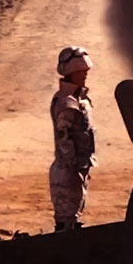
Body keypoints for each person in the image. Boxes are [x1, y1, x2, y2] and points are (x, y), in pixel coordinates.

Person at [49, 47, 94, 232]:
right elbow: (63, 138)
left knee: (74, 214)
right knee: (66, 220)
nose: (84, 75)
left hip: (78, 166)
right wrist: (72, 165)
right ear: (70, 73)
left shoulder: (78, 99)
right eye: (80, 72)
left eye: (85, 71)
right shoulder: (67, 102)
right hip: (68, 169)